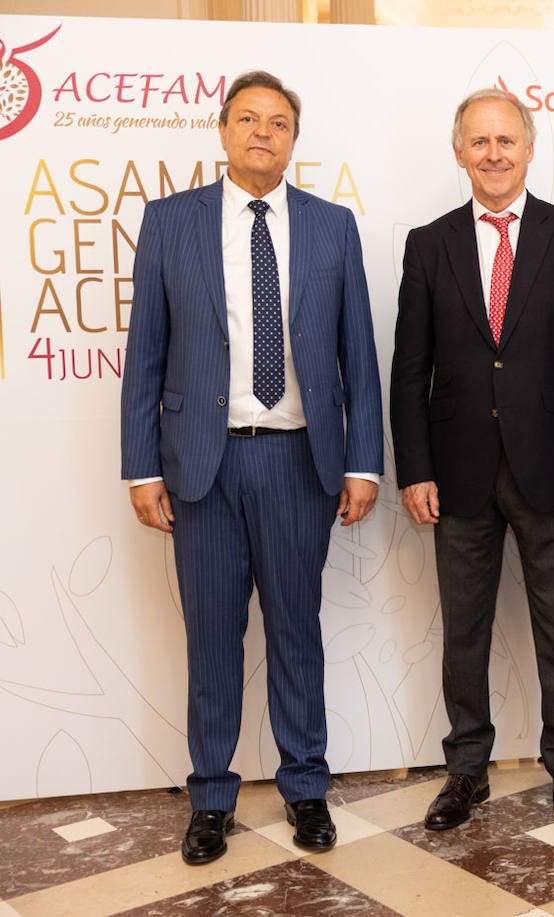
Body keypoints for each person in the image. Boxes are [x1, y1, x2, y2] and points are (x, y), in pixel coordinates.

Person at [120, 71, 384, 865]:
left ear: (293, 140)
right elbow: (146, 357)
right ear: (223, 130)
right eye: (248, 119)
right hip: (202, 468)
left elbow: (359, 359)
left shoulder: (333, 227)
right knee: (212, 638)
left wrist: (364, 462)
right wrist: (141, 470)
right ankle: (210, 798)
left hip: (301, 465)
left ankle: (306, 788)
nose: (262, 132)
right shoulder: (171, 223)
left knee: (298, 633)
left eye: (278, 122)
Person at [390, 89, 554, 834]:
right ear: (459, 151)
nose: (494, 154)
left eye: (506, 141)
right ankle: (465, 771)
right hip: (454, 472)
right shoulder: (429, 244)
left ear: (528, 148)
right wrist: (413, 467)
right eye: (479, 141)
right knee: (464, 631)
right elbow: (409, 369)